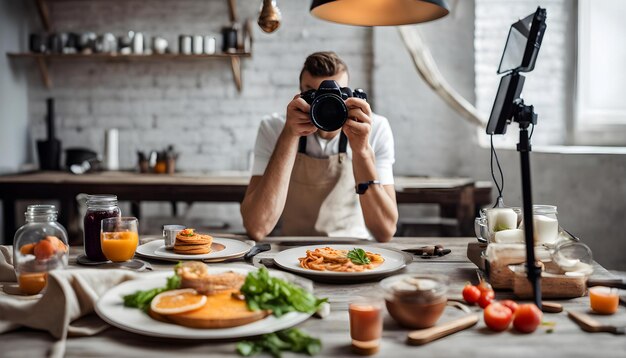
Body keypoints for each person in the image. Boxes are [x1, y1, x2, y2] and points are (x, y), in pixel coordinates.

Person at [241, 52, 398, 242]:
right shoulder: (274, 128)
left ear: (348, 95)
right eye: (314, 95)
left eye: (335, 95)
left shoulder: (375, 127)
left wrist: (362, 151)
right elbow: (257, 227)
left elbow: (385, 231)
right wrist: (289, 135)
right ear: (299, 95)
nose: (325, 105)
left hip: (355, 252)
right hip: (292, 250)